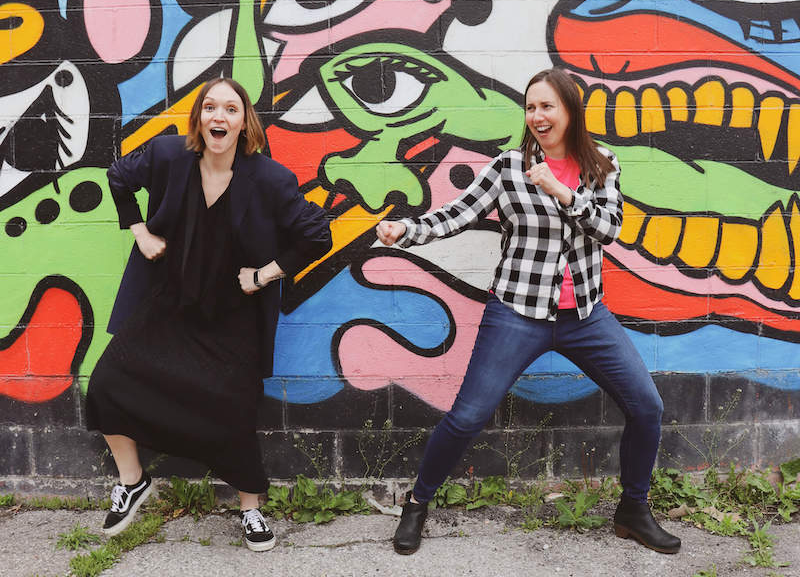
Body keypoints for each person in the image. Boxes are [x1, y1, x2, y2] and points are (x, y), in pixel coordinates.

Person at [377, 67, 680, 556]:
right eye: (531, 107)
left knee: (648, 406)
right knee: (467, 416)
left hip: (584, 315)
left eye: (547, 106)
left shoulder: (603, 164)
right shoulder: (508, 166)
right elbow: (459, 213)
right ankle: (417, 502)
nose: (537, 116)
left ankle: (633, 510)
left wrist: (563, 192)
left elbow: (609, 229)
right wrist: (406, 231)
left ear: (570, 111)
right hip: (516, 312)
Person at [86, 77, 332, 551]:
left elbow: (316, 236)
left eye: (231, 109)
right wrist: (138, 231)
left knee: (233, 410)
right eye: (210, 108)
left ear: (245, 123)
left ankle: (251, 508)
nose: (219, 117)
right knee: (108, 383)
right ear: (198, 117)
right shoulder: (166, 156)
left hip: (233, 314)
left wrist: (264, 275)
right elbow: (118, 176)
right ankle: (133, 480)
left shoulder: (270, 179)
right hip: (169, 304)